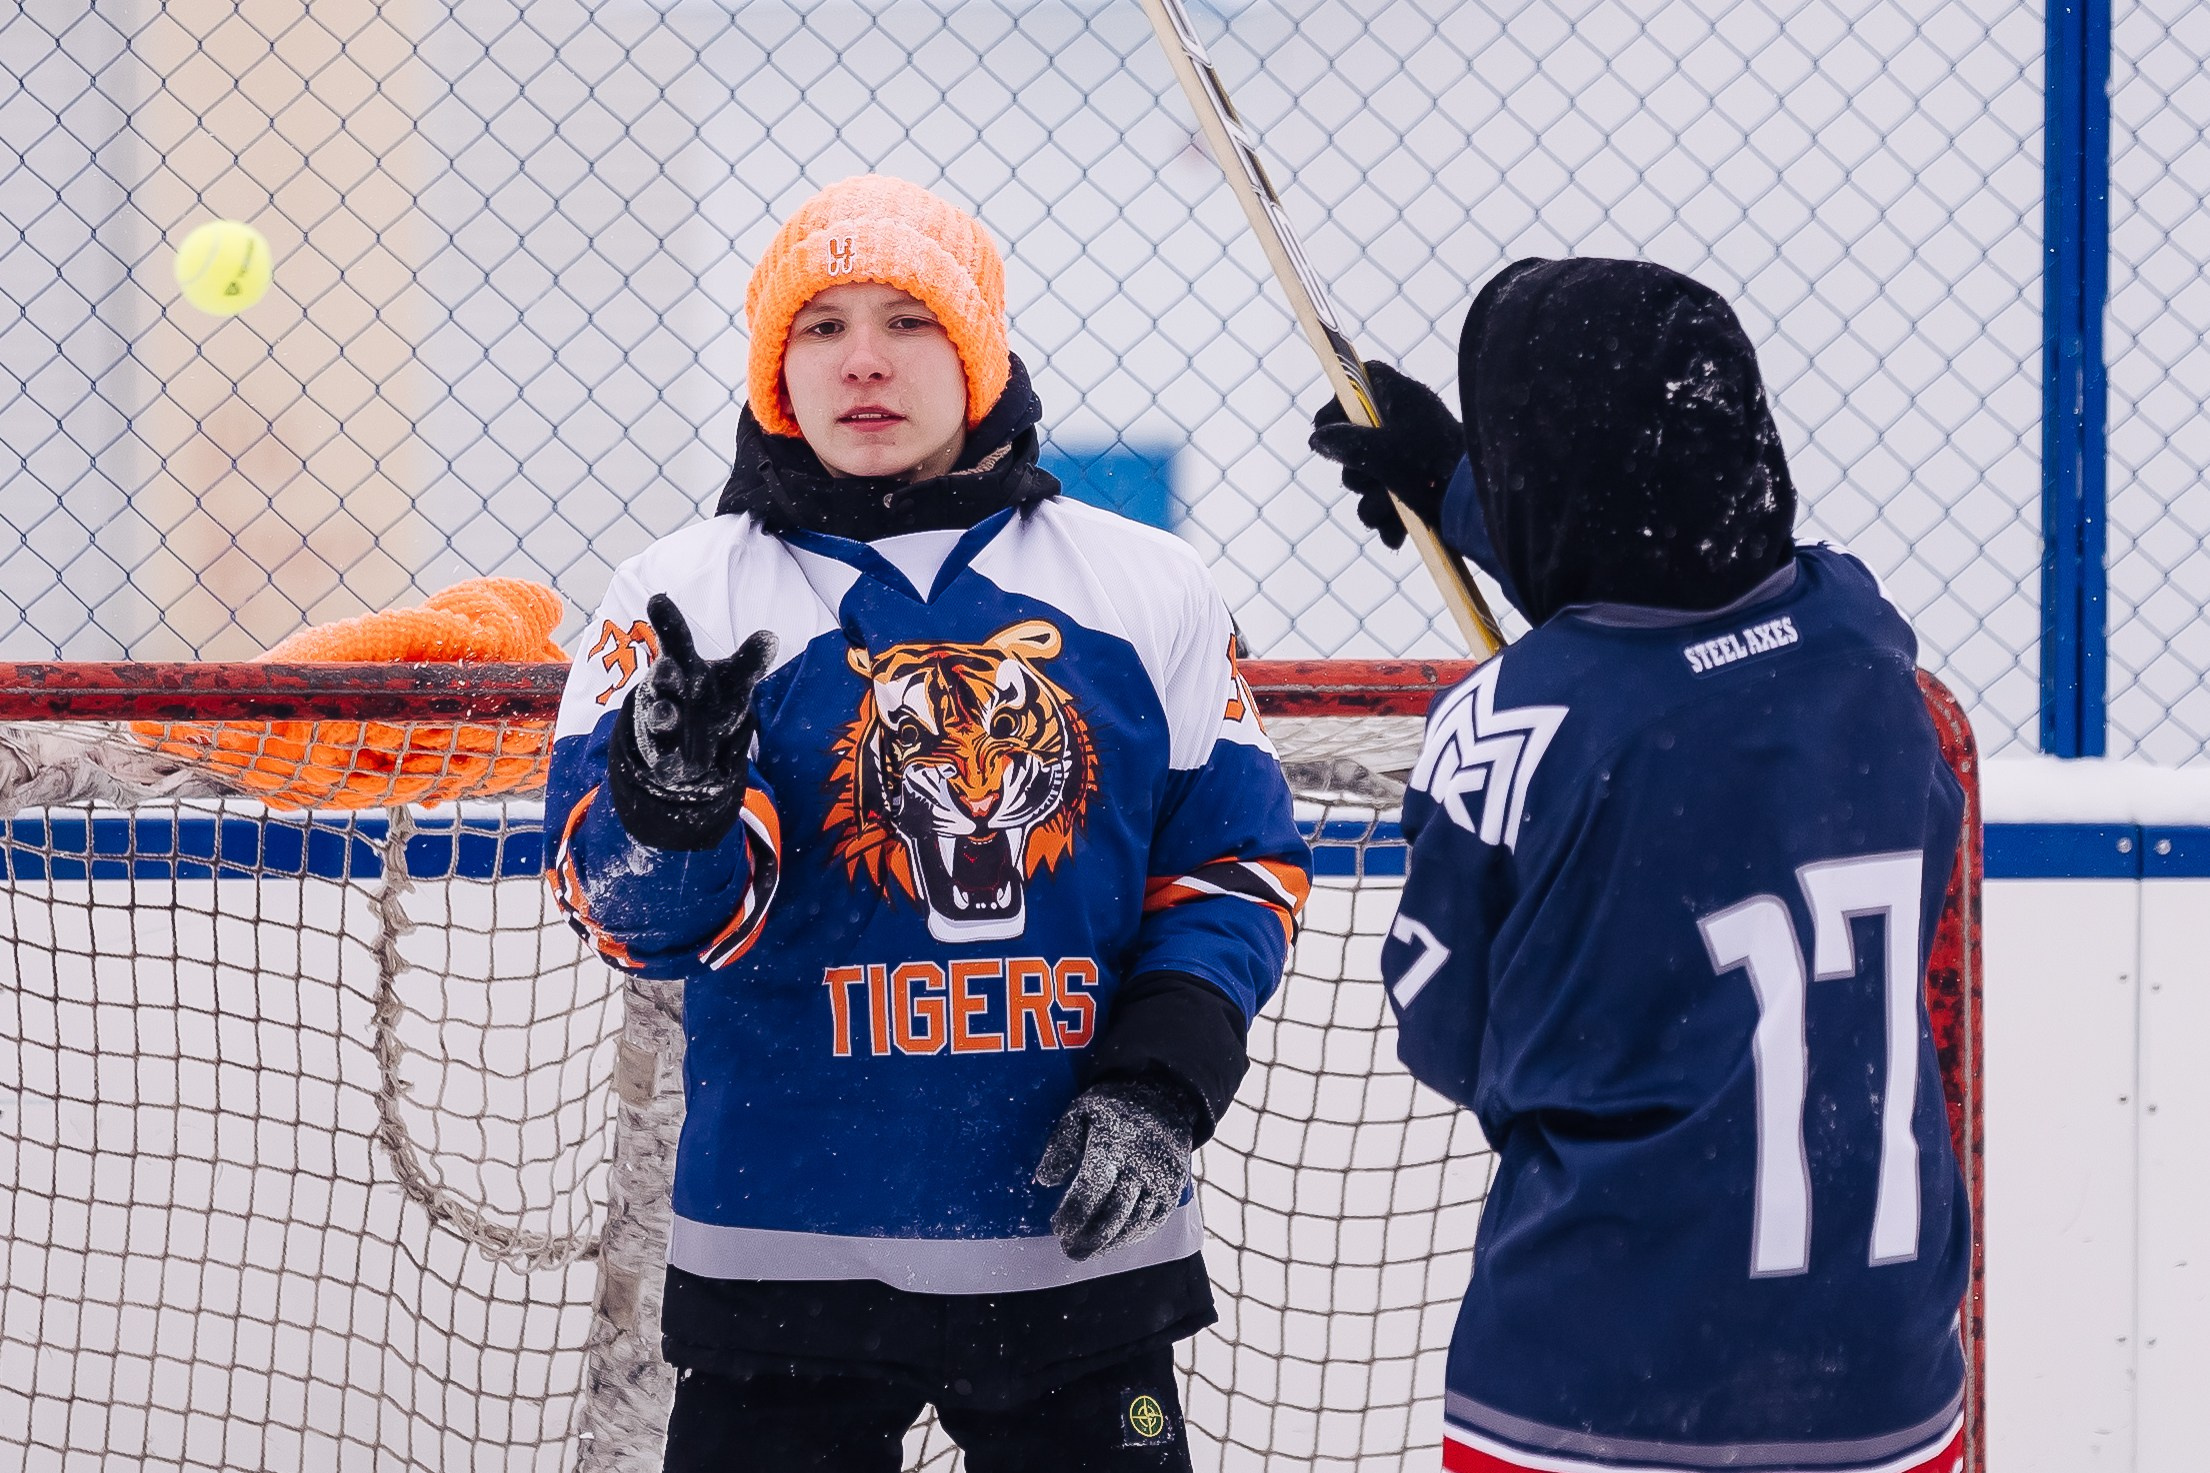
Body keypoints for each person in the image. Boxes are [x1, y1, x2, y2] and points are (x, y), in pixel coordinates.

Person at [545, 174, 1310, 1470]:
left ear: (976, 350)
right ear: (775, 365)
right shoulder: (681, 595)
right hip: (780, 1240)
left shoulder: (1144, 584)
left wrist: (1162, 1080)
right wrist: (668, 812)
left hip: (1072, 1247)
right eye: (819, 325)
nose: (861, 362)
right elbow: (628, 922)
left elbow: (1233, 866)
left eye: (905, 320)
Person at [1309, 258, 1971, 1473]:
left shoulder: (1505, 723)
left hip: (1594, 1388)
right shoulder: (1860, 637)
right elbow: (1678, 578)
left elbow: (1446, 1033)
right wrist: (1464, 488)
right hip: (1883, 1378)